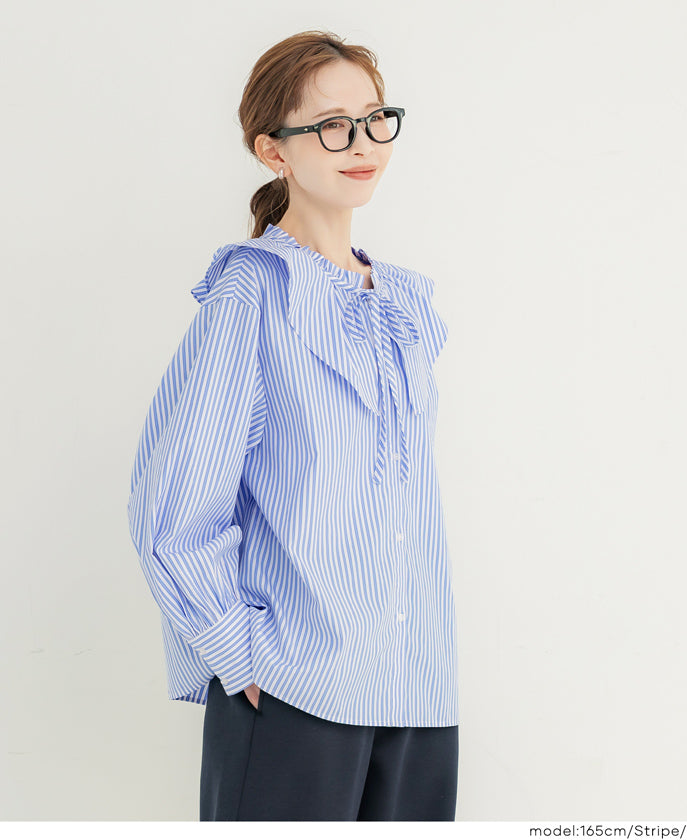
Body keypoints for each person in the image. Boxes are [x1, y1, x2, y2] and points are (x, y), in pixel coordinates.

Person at [126, 29, 459, 821]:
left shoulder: (406, 304)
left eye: (375, 119)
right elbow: (173, 508)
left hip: (417, 692)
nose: (363, 143)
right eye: (332, 125)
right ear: (272, 150)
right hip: (293, 692)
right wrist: (239, 655)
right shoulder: (252, 294)